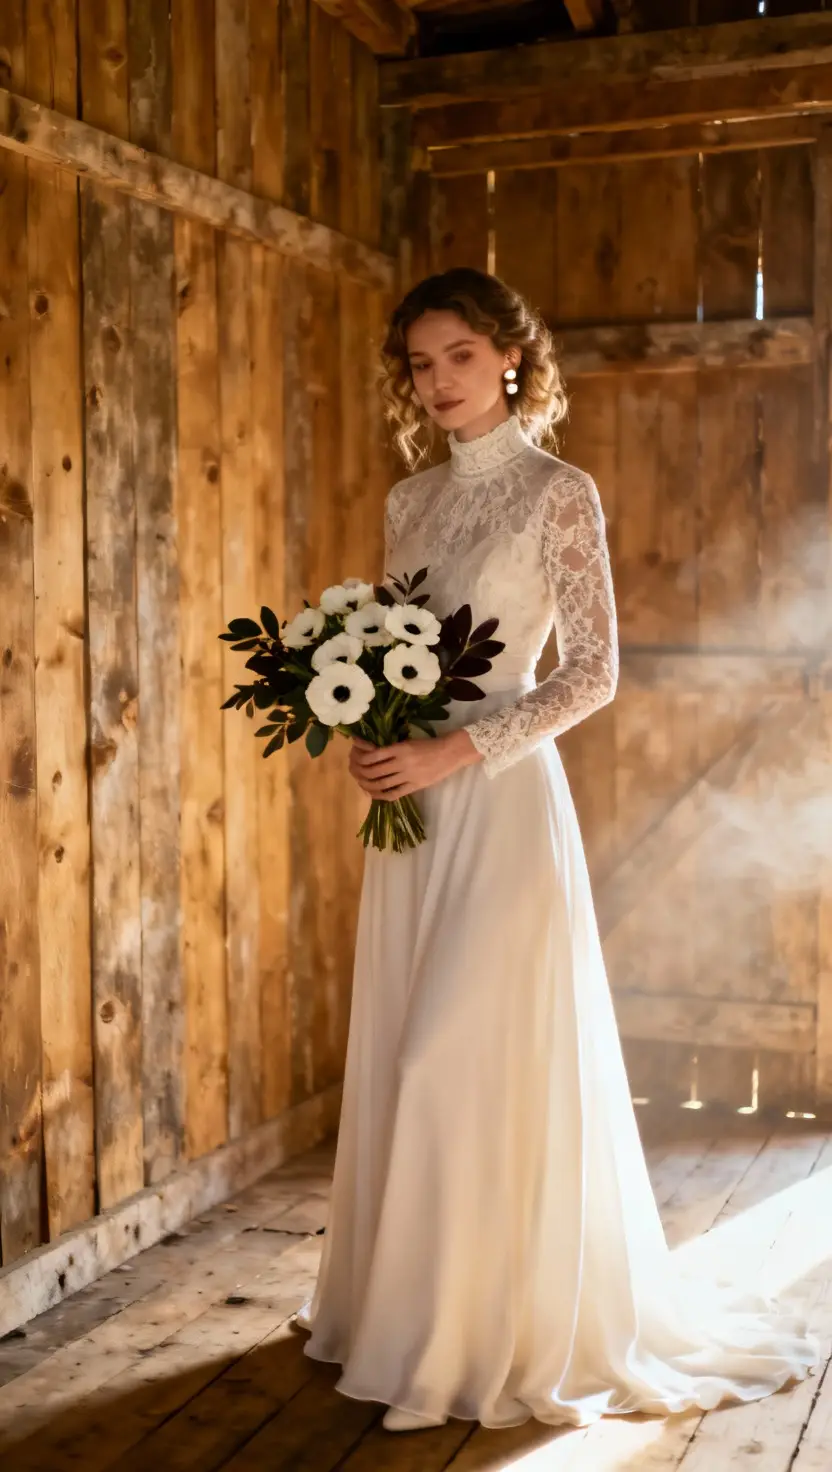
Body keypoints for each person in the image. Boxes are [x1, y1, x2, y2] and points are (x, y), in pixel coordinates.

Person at [293, 267, 821, 1432]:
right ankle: (407, 1308)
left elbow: (593, 672)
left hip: (500, 802)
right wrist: (365, 729)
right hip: (410, 808)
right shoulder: (410, 503)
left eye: (459, 358)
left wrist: (453, 753)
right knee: (404, 1052)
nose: (437, 382)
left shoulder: (557, 491)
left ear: (511, 359)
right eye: (421, 364)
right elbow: (394, 650)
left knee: (457, 1057)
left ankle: (495, 1331)